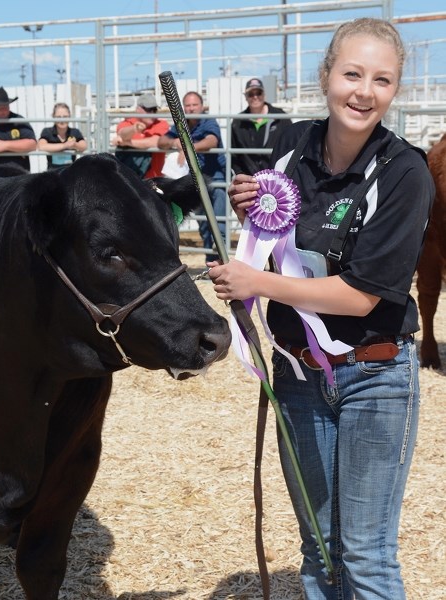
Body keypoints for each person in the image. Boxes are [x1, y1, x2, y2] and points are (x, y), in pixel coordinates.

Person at [208, 18, 434, 600]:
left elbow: (362, 293)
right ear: (326, 75)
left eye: (382, 80)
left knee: (365, 555)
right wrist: (248, 211)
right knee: (317, 548)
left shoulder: (405, 172)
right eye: (352, 73)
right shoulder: (289, 146)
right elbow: (282, 241)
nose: (364, 91)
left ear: (395, 90)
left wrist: (256, 281)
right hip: (299, 373)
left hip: (375, 375)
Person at [158, 91, 227, 262]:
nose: (191, 108)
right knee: (204, 223)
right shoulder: (181, 124)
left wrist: (188, 148)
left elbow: (212, 141)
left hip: (215, 175)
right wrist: (175, 142)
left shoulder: (208, 121)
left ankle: (223, 258)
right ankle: (210, 261)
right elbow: (161, 142)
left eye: (194, 105)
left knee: (219, 219)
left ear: (202, 106)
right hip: (196, 180)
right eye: (188, 105)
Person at [230, 77, 292, 175]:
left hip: (277, 180)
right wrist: (240, 174)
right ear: (246, 97)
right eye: (251, 94)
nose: (255, 97)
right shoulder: (238, 122)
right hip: (249, 180)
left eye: (258, 93)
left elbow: (291, 146)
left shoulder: (281, 117)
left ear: (264, 95)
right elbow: (233, 154)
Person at [112, 93, 169, 179]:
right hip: (130, 181)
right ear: (138, 109)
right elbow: (122, 134)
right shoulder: (127, 123)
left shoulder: (161, 124)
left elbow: (156, 142)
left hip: (154, 180)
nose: (152, 113)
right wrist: (134, 129)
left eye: (154, 110)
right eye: (149, 110)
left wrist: (127, 143)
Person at [37, 102, 87, 170]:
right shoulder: (47, 131)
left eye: (65, 117)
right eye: (58, 117)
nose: (62, 120)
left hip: (71, 171)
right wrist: (65, 145)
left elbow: (84, 146)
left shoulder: (75, 132)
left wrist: (75, 144)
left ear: (69, 116)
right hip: (52, 171)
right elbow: (41, 146)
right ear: (53, 117)